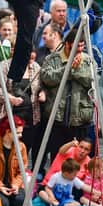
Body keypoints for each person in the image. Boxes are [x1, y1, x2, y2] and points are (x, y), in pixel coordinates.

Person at [40, 27, 94, 160]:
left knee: (78, 154)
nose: (80, 50)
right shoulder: (52, 59)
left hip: (79, 117)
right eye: (77, 46)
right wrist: (68, 68)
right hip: (57, 115)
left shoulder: (87, 60)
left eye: (82, 46)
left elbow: (91, 81)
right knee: (57, 153)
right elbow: (47, 78)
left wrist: (75, 71)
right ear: (68, 44)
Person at [0, 51, 44, 166]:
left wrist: (42, 92)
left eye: (33, 59)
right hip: (8, 115)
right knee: (6, 146)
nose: (31, 62)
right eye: (29, 59)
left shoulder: (35, 67)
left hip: (30, 116)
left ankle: (20, 173)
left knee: (24, 147)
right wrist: (10, 98)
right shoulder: (5, 66)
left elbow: (41, 85)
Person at [0, 116, 28, 206]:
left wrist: (16, 185)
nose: (21, 135)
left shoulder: (21, 147)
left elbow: (22, 170)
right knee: (3, 205)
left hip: (13, 184)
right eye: (17, 133)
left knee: (20, 202)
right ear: (8, 132)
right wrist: (0, 186)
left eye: (21, 132)